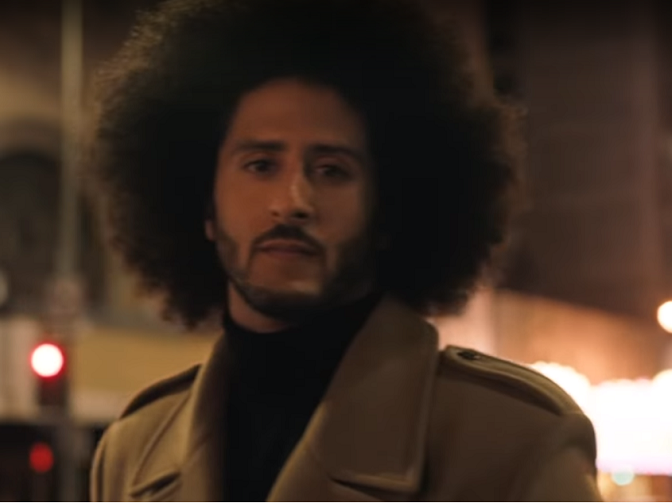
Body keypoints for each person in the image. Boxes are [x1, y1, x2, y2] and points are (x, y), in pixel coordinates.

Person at [86, 0, 602, 500]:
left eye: (332, 170)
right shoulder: (133, 454)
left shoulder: (512, 441)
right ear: (204, 205)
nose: (293, 202)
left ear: (388, 211)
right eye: (261, 165)